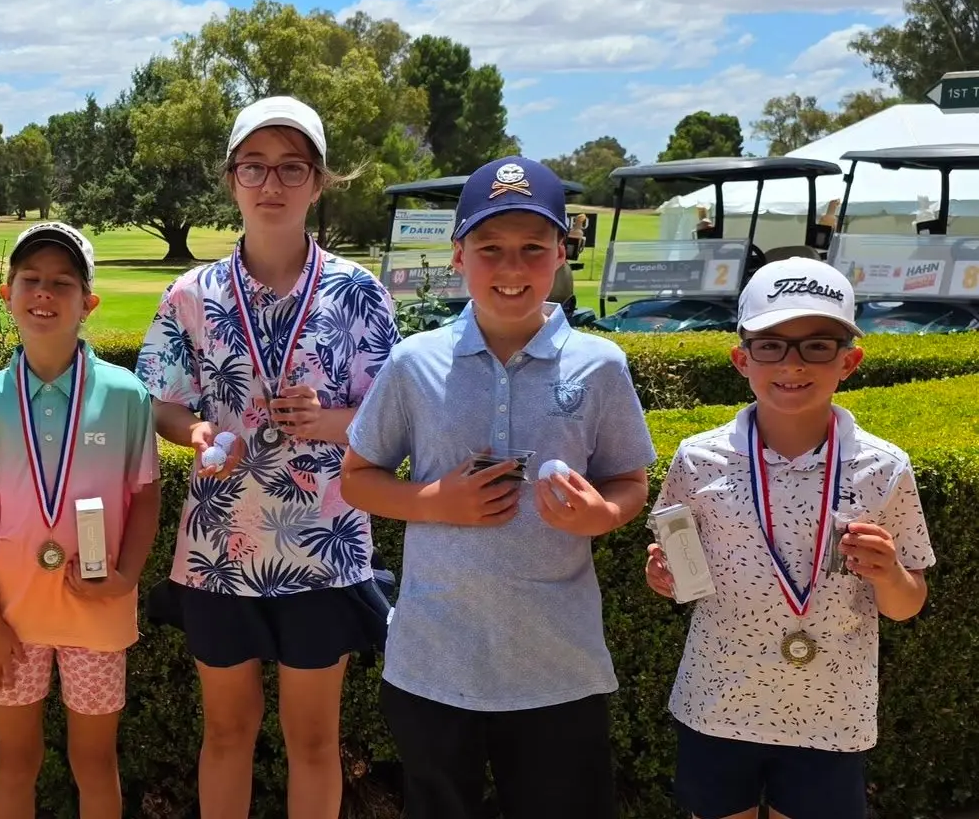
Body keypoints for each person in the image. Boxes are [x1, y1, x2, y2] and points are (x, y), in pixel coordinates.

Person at [341, 157, 656, 819]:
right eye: (489, 249)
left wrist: (601, 513)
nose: (511, 269)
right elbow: (357, 480)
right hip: (432, 663)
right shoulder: (413, 363)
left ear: (561, 253)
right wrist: (433, 503)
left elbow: (630, 481)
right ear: (458, 255)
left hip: (558, 670)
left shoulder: (599, 366)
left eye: (531, 249)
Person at [135, 95, 399, 819]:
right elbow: (160, 399)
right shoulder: (191, 294)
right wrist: (192, 435)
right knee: (226, 733)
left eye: (291, 168)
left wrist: (330, 419)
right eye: (254, 167)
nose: (271, 184)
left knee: (313, 740)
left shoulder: (357, 294)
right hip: (219, 550)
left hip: (324, 549)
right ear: (231, 180)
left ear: (317, 182)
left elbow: (395, 418)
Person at [645, 258, 933, 819]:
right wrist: (662, 575)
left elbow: (906, 603)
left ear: (849, 360)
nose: (793, 364)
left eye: (817, 346)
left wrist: (889, 574)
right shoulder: (698, 460)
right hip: (718, 697)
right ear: (741, 358)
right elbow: (675, 567)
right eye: (771, 345)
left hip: (831, 710)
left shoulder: (884, 468)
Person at [0, 221, 162, 819]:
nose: (44, 293)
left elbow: (145, 496)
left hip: (97, 613)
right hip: (13, 621)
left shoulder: (126, 394)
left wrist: (126, 577)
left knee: (94, 763)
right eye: (31, 280)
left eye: (62, 283)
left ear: (87, 303)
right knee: (15, 762)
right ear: (7, 293)